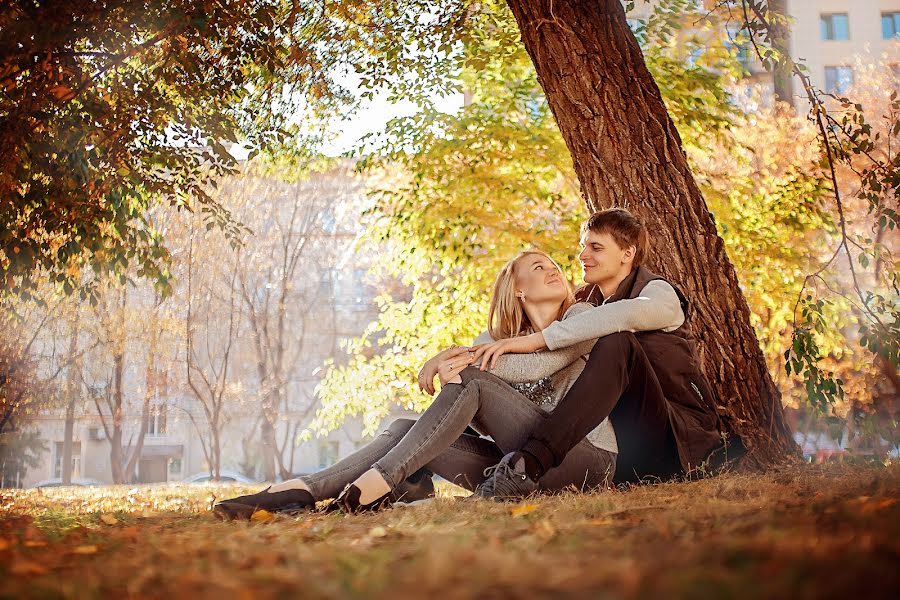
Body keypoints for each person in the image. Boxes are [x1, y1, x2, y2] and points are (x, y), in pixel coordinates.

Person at [213, 250, 618, 519]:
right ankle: (302, 488)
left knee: (473, 382)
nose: (553, 271)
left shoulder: (581, 316)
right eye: (538, 268)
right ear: (517, 289)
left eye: (553, 266)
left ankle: (376, 484)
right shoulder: (487, 344)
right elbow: (472, 420)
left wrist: (461, 361)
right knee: (406, 428)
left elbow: (540, 364)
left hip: (585, 459)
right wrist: (470, 360)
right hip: (514, 466)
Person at [468, 207, 740, 500]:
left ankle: (529, 465)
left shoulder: (659, 294)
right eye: (583, 247)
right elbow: (536, 344)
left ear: (627, 253)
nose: (583, 256)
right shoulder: (586, 303)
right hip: (619, 449)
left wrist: (536, 341)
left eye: (595, 247)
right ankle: (444, 467)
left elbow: (625, 315)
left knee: (617, 344)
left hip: (676, 442)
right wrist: (461, 358)